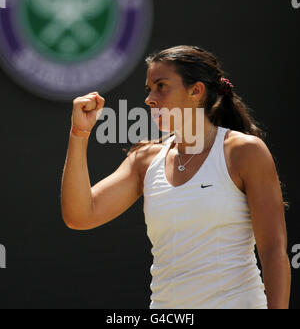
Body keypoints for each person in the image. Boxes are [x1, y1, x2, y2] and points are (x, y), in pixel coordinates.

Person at [61, 45, 291, 309]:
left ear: (196, 91)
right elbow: (79, 215)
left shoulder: (244, 151)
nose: (149, 98)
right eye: (149, 89)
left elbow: (273, 249)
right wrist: (79, 133)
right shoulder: (145, 160)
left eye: (161, 86)